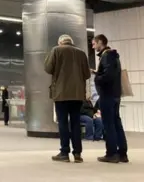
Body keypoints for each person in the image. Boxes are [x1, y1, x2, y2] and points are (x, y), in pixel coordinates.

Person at [44, 34, 90, 163]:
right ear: (71, 42)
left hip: (61, 93)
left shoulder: (56, 50)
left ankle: (64, 152)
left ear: (60, 42)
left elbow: (48, 68)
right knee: (75, 123)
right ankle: (77, 154)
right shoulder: (81, 53)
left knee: (63, 123)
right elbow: (86, 74)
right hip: (77, 94)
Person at [92, 34, 128, 163]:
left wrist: (97, 77)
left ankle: (111, 153)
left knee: (109, 124)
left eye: (94, 43)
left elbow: (108, 75)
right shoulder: (113, 56)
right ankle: (122, 152)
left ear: (101, 42)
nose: (93, 46)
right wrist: (98, 73)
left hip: (107, 94)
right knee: (117, 122)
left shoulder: (106, 56)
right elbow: (110, 73)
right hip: (115, 94)